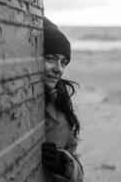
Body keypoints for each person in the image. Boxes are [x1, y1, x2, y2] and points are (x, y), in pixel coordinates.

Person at [42, 17, 83, 182]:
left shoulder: (61, 105)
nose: (59, 69)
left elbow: (79, 171)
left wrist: (64, 164)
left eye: (64, 62)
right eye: (50, 58)